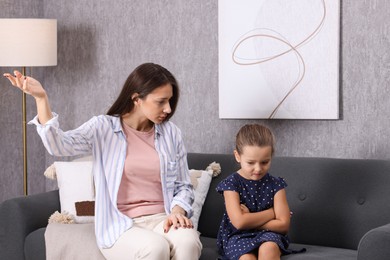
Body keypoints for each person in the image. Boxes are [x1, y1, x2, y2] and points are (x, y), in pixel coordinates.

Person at [3, 63, 202, 260]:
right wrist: (41, 98)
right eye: (161, 101)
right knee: (155, 247)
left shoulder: (171, 134)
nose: (168, 108)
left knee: (188, 242)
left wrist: (177, 211)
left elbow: (183, 185)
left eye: (170, 101)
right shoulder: (103, 128)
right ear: (136, 99)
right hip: (121, 224)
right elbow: (59, 145)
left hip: (163, 218)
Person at [216, 124, 299, 260]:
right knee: (246, 258)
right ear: (237, 156)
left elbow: (283, 225)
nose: (258, 169)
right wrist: (272, 213)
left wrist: (250, 217)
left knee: (269, 248)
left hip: (269, 235)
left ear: (271, 156)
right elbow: (240, 223)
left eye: (264, 162)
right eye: (250, 163)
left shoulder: (276, 184)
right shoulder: (231, 184)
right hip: (238, 236)